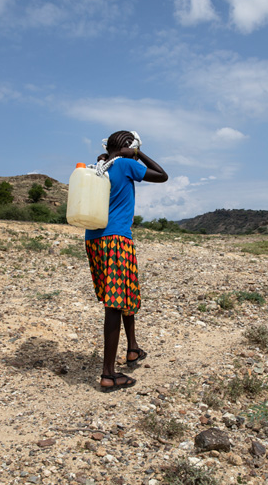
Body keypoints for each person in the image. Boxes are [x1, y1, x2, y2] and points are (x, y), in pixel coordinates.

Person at [85, 130, 168, 392]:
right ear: (128, 147)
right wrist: (138, 154)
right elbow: (162, 176)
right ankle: (108, 374)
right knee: (114, 303)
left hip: (94, 239)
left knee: (124, 295)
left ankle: (132, 348)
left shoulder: (99, 166)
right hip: (117, 239)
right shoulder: (126, 163)